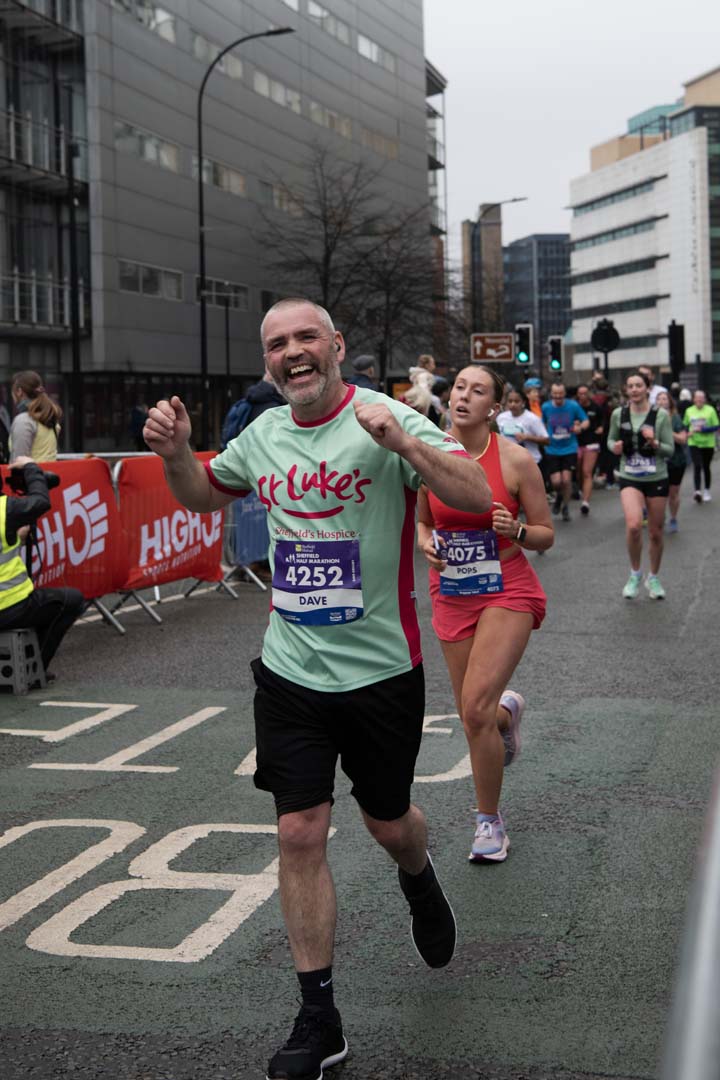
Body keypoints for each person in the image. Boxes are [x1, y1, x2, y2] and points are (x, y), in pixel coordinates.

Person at [142, 297, 493, 1080]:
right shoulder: (262, 434)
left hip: (379, 675)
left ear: (336, 345)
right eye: (277, 344)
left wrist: (404, 442)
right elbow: (205, 495)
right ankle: (319, 1016)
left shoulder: (383, 417)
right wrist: (177, 455)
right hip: (290, 671)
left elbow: (473, 494)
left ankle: (420, 878)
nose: (292, 353)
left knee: (389, 823)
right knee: (299, 831)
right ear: (266, 361)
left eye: (306, 338)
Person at [417, 365, 553, 862]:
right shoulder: (427, 455)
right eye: (458, 388)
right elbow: (422, 521)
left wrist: (515, 530)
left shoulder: (515, 460)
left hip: (507, 587)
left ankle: (488, 823)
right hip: (452, 590)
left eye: (477, 391)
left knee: (472, 708)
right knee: (475, 716)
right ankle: (506, 713)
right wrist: (426, 545)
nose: (464, 397)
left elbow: (545, 533)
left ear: (494, 408)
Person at [0, 457, 85, 680]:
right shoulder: (6, 509)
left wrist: (15, 539)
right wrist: (30, 468)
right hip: (9, 607)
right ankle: (32, 668)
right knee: (71, 600)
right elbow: (39, 501)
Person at [607, 371, 674, 600]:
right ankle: (635, 573)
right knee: (634, 525)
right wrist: (614, 446)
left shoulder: (661, 415)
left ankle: (653, 577)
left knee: (655, 532)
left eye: (638, 385)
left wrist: (654, 442)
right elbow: (610, 440)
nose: (634, 389)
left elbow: (670, 449)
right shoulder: (618, 414)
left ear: (647, 388)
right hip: (630, 476)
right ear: (626, 390)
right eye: (630, 386)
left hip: (656, 477)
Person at [541, 382, 589, 522]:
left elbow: (585, 420)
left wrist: (580, 427)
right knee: (556, 482)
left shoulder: (572, 406)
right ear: (551, 394)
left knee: (566, 480)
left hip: (569, 448)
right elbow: (542, 423)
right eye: (555, 393)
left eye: (560, 394)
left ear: (564, 394)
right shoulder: (546, 407)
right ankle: (559, 497)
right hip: (552, 448)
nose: (558, 396)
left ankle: (565, 507)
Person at [9, 371, 62, 463]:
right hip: (50, 475)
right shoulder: (49, 417)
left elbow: (19, 462)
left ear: (19, 392)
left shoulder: (24, 420)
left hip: (31, 476)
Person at [495, 387, 549, 471]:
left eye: (516, 401)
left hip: (531, 463)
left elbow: (547, 440)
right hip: (508, 463)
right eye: (510, 401)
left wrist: (527, 437)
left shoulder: (532, 419)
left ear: (523, 402)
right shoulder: (501, 418)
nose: (513, 404)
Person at [655, 390, 687, 532]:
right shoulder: (651, 418)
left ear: (669, 402)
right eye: (659, 399)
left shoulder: (675, 418)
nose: (662, 401)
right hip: (657, 461)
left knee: (673, 493)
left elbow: (682, 439)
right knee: (658, 493)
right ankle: (658, 518)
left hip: (675, 461)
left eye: (664, 399)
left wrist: (668, 431)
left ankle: (673, 518)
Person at [575, 384, 606, 515]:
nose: (582, 396)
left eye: (585, 393)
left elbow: (603, 421)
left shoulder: (596, 407)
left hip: (591, 443)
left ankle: (585, 502)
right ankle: (580, 487)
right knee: (578, 472)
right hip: (576, 443)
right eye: (580, 393)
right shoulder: (574, 408)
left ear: (589, 394)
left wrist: (601, 428)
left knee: (587, 472)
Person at [684, 389, 719, 503]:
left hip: (708, 443)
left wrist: (703, 429)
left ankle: (707, 490)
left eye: (701, 398)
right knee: (697, 465)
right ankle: (697, 491)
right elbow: (684, 425)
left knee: (706, 467)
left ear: (704, 399)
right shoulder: (689, 411)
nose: (699, 400)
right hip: (694, 442)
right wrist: (686, 433)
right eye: (697, 397)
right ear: (693, 399)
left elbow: (716, 426)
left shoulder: (710, 410)